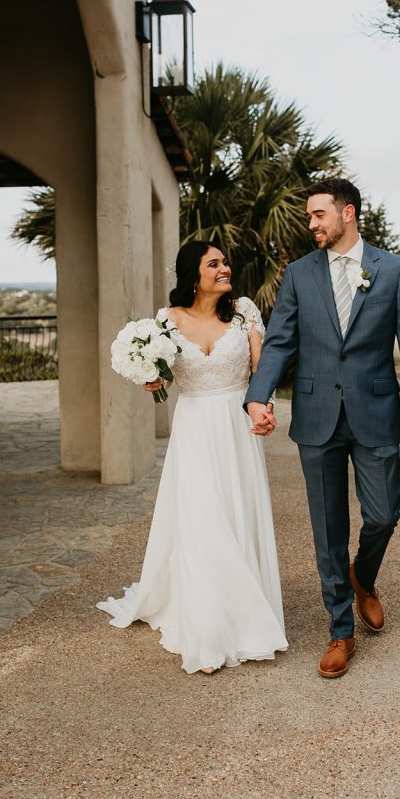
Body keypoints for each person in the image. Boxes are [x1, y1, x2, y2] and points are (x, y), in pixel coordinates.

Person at [245, 179, 400, 679]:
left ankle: (364, 577)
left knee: (384, 512)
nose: (311, 224)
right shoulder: (298, 274)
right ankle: (339, 631)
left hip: (374, 411)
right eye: (309, 217)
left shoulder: (393, 270)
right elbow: (281, 342)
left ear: (347, 213)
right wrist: (257, 397)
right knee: (328, 527)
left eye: (317, 215)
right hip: (316, 416)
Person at [97, 240, 287, 675]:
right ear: (192, 273)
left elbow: (265, 370)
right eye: (214, 263)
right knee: (203, 519)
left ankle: (240, 607)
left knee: (234, 513)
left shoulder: (244, 311)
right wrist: (150, 377)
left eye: (225, 262)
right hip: (195, 427)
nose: (225, 268)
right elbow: (157, 373)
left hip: (236, 425)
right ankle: (208, 625)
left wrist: (265, 408)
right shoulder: (167, 321)